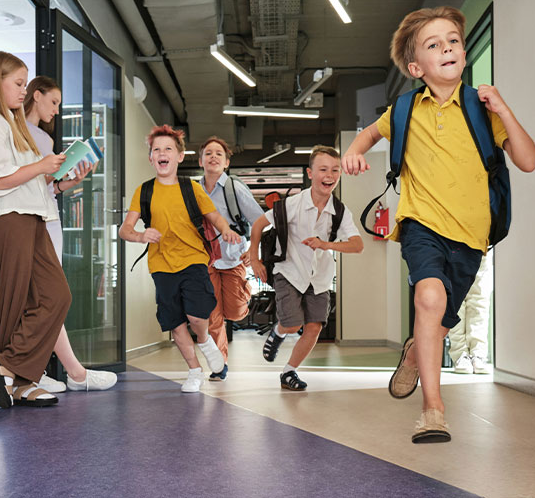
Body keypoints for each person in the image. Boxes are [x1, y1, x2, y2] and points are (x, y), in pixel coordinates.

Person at [341, 7, 535, 442]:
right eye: (434, 44)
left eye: (453, 40)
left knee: (440, 320)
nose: (447, 47)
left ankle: (415, 352)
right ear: (416, 68)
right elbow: (369, 135)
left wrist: (503, 109)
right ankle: (433, 410)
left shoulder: (480, 107)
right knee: (429, 298)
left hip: (472, 235)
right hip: (421, 224)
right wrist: (353, 150)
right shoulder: (405, 108)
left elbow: (528, 160)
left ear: (464, 53)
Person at [118, 124, 242, 393]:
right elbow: (124, 229)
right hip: (161, 266)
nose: (162, 153)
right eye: (156, 150)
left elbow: (215, 216)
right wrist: (141, 236)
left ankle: (206, 340)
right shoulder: (144, 191)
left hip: (194, 260)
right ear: (151, 157)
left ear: (179, 156)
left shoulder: (191, 189)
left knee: (197, 317)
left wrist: (227, 230)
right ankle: (194, 371)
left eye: (168, 149)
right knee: (174, 322)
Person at [0, 51, 71, 408]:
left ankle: (11, 367)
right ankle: (21, 380)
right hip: (7, 217)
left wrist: (55, 176)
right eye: (18, 83)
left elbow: (30, 178)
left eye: (24, 83)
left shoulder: (15, 126)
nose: (23, 90)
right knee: (13, 302)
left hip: (33, 216)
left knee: (55, 296)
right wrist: (41, 166)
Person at [24, 75, 117, 392]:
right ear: (36, 96)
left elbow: (45, 186)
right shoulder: (33, 137)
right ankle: (73, 373)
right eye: (53, 102)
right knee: (49, 298)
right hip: (40, 221)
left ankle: (39, 371)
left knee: (43, 298)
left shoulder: (34, 136)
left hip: (45, 213)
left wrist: (69, 181)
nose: (57, 110)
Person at [249, 145, 363, 391]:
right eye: (323, 169)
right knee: (292, 324)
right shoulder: (292, 205)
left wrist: (325, 244)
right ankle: (278, 333)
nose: (329, 175)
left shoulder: (340, 212)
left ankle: (288, 372)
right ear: (310, 173)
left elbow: (357, 245)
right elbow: (258, 224)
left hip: (320, 278)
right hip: (289, 272)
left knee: (314, 327)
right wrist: (255, 259)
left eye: (335, 170)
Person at [198, 136, 264, 381]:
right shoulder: (195, 191)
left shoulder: (234, 188)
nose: (213, 157)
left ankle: (243, 294)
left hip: (234, 260)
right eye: (208, 153)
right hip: (206, 262)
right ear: (201, 161)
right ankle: (219, 365)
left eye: (218, 154)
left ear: (226, 162)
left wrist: (253, 250)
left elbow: (261, 220)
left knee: (235, 312)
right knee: (212, 317)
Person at [449, 253, 492, 374]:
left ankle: (478, 354)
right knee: (456, 301)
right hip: (454, 241)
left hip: (483, 242)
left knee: (480, 299)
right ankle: (460, 354)